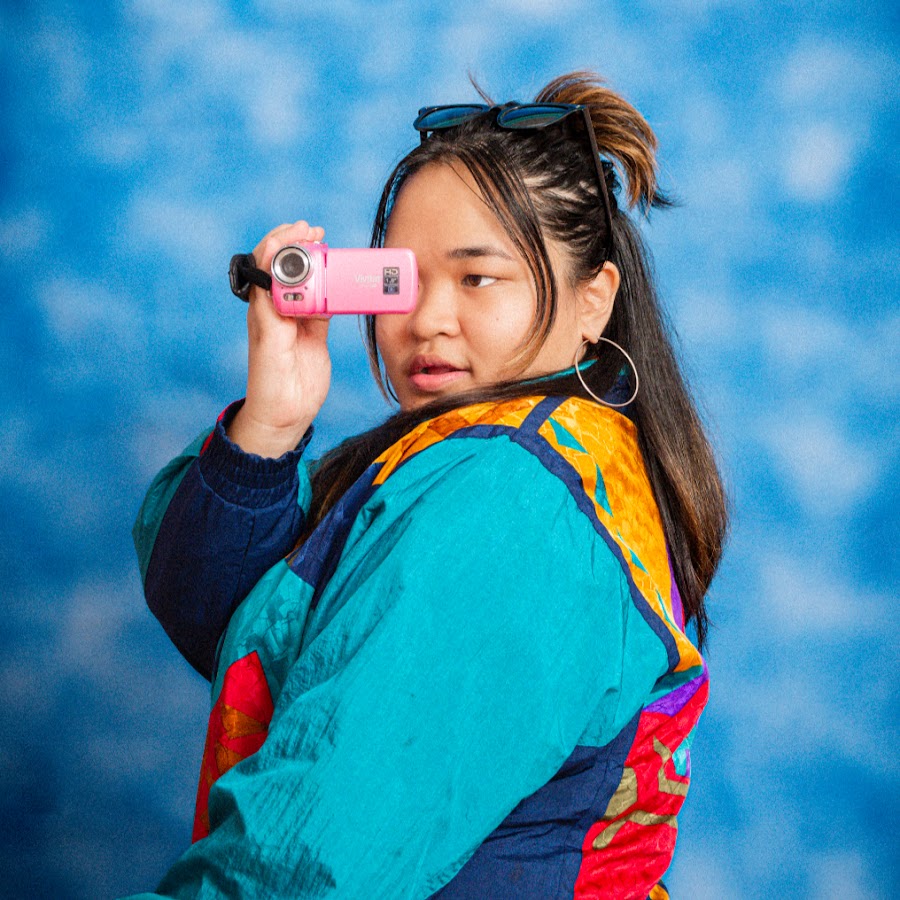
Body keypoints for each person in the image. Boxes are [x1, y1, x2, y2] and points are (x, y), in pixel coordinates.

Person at [131, 70, 728, 899]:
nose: (427, 320)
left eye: (477, 278)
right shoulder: (503, 456)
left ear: (593, 302)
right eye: (402, 282)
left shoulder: (510, 507)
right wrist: (269, 427)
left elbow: (303, 872)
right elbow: (233, 634)